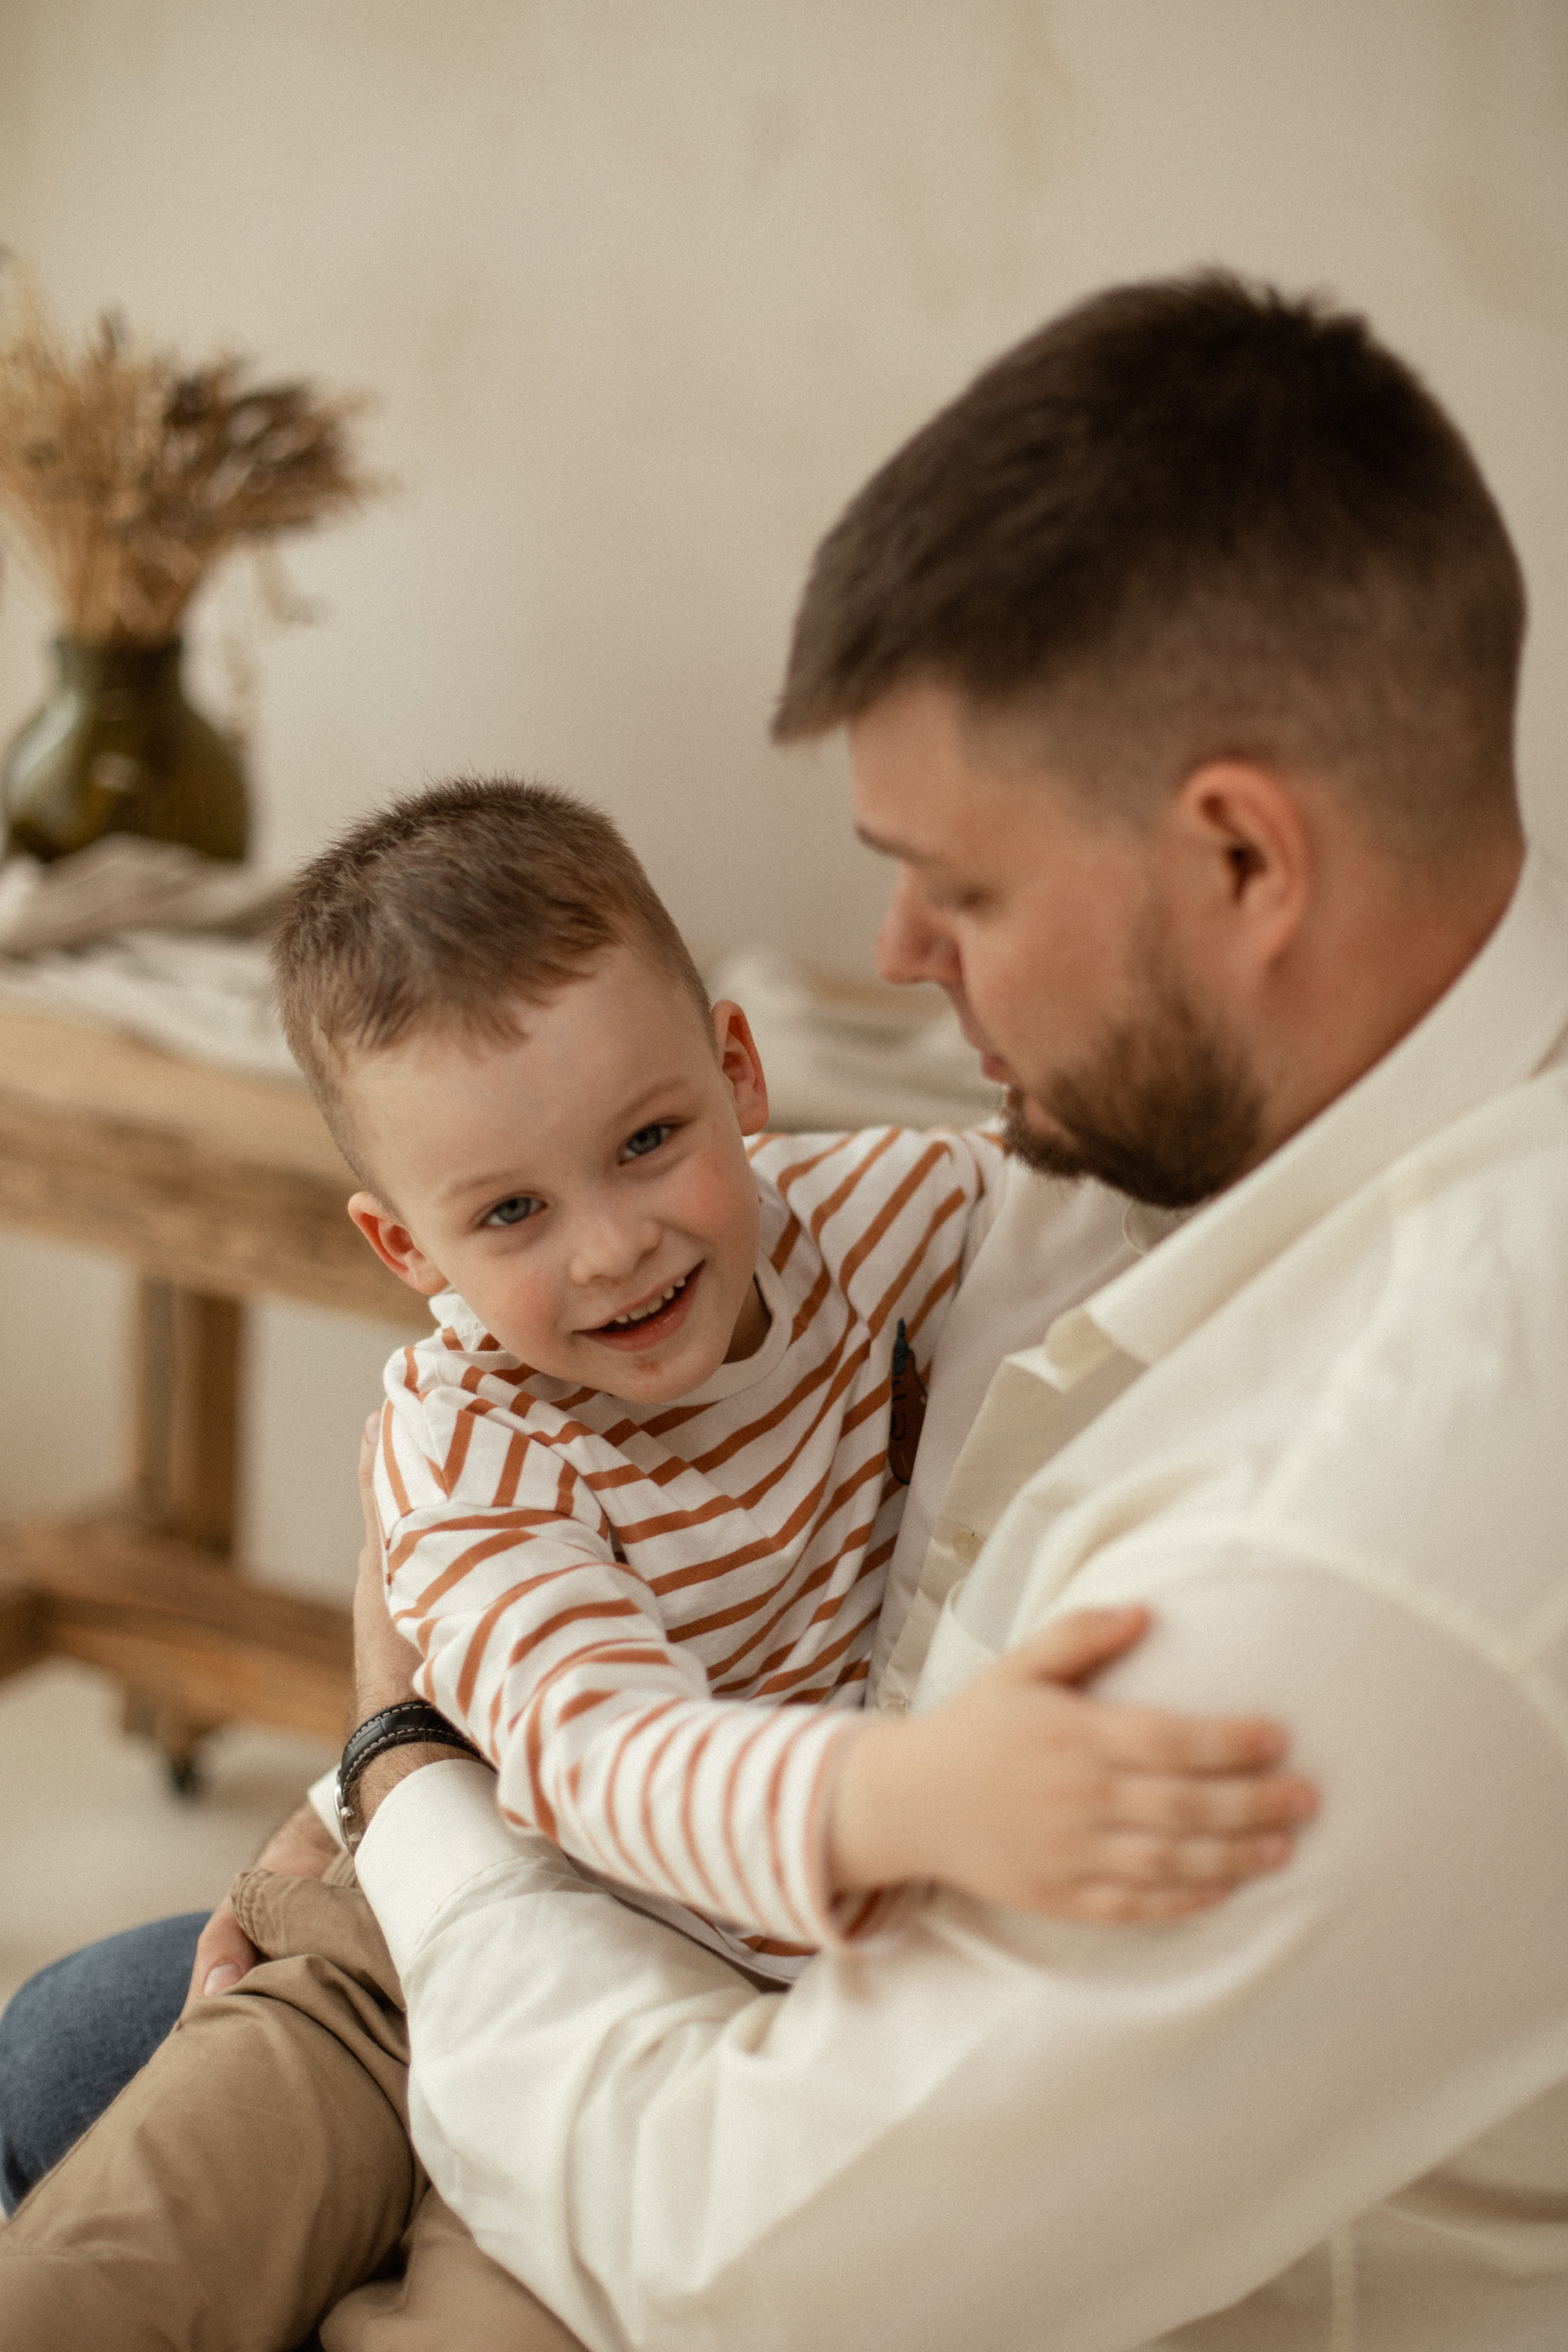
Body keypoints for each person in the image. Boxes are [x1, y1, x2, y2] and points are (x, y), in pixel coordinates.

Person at [5, 262, 1567, 2348]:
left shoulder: (1388, 1528)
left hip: (742, 2087)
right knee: (93, 2075)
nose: (902, 954)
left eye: (967, 887)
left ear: (1242, 862)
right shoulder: (1209, 1165)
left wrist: (401, 1760)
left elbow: (734, 2252)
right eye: (509, 1209)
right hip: (604, 1900)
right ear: (411, 1250)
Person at [0, 777, 1305, 2350]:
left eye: (645, 1140)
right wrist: (902, 1798)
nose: (612, 1245)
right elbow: (595, 1752)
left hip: (677, 2046)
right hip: (412, 1955)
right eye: (510, 1213)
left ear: (738, 1076)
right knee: (105, 2269)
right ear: (409, 1253)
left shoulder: (878, 1218)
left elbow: (1123, 1200)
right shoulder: (465, 1446)